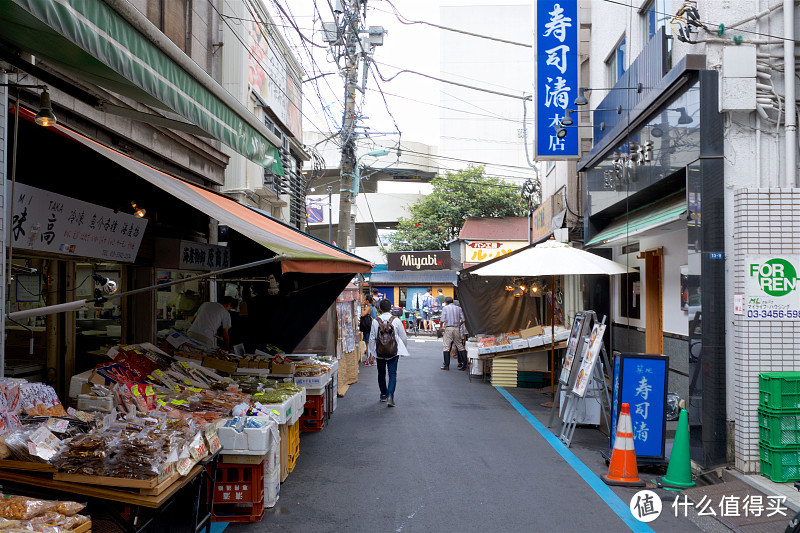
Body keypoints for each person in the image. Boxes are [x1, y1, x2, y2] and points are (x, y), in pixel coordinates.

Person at [368, 299, 408, 407]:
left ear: (379, 308)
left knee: (381, 373)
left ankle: (383, 394)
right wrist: (403, 349)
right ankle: (390, 396)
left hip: (379, 351)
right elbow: (403, 337)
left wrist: (371, 354)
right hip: (393, 351)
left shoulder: (375, 321)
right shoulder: (396, 320)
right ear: (391, 308)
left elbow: (372, 338)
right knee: (392, 373)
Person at [440, 296, 467, 370]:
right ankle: (464, 365)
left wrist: (441, 326)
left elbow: (442, 319)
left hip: (449, 328)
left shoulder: (445, 308)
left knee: (446, 346)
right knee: (460, 345)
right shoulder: (459, 308)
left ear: (446, 302)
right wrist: (459, 324)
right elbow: (463, 319)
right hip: (457, 328)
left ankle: (446, 365)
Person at [359, 301, 376, 366]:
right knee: (372, 343)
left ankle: (369, 360)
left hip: (368, 327)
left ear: (367, 301)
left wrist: (362, 306)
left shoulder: (368, 307)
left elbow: (363, 314)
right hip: (372, 326)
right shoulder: (373, 307)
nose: (363, 300)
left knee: (368, 344)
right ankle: (372, 360)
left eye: (364, 299)